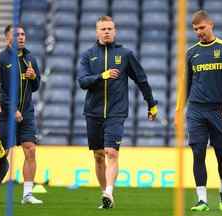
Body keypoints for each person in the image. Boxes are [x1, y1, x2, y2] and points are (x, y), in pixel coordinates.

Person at [78, 16, 158, 209]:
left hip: (116, 112)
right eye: (103, 29)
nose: (106, 32)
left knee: (111, 152)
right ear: (97, 32)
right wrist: (101, 76)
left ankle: (109, 192)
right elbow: (82, 82)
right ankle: (105, 195)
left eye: (110, 29)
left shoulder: (125, 54)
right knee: (98, 156)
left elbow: (141, 80)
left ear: (115, 31)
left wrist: (151, 103)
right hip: (93, 113)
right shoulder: (88, 55)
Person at [182, 10, 222, 211]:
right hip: (196, 110)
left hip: (219, 110)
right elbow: (185, 83)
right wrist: (180, 109)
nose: (199, 32)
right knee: (198, 152)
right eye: (195, 29)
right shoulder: (191, 53)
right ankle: (202, 200)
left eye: (202, 28)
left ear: (211, 25)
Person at [0, 24, 42, 204]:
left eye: (23, 34)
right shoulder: (0, 59)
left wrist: (33, 77)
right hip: (6, 114)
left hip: (27, 112)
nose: (21, 37)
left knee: (30, 149)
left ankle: (27, 194)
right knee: (0, 153)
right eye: (16, 35)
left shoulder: (30, 58)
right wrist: (12, 109)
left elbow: (36, 86)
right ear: (7, 38)